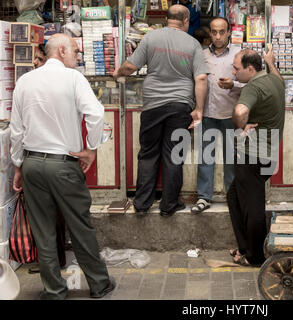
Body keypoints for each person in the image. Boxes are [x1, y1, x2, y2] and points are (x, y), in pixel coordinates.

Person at [10, 34, 115, 300]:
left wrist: (19, 165)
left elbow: (16, 131)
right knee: (80, 226)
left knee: (43, 230)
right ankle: (100, 284)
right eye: (75, 52)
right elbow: (96, 113)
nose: (77, 57)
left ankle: (54, 290)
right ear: (61, 50)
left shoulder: (25, 81)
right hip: (63, 165)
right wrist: (91, 147)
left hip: (33, 163)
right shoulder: (73, 78)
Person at [113, 5, 208, 217]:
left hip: (153, 104)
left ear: (167, 19)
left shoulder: (150, 38)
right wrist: (198, 109)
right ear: (185, 20)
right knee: (173, 155)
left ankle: (142, 204)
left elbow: (130, 67)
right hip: (181, 105)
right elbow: (201, 78)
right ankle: (169, 206)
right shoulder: (193, 44)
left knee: (148, 154)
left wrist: (117, 73)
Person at [227, 46, 285, 266]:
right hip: (267, 156)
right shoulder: (274, 81)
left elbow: (240, 112)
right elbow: (281, 79)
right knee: (234, 197)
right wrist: (271, 61)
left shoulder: (252, 87)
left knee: (254, 207)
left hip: (252, 156)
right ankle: (246, 248)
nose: (234, 73)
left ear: (250, 69)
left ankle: (256, 257)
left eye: (236, 68)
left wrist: (240, 127)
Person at [191, 17, 243, 214]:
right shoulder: (202, 55)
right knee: (205, 158)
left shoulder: (239, 55)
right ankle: (204, 197)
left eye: (222, 31)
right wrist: (197, 109)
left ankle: (232, 197)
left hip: (231, 114)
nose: (218, 36)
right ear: (210, 34)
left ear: (229, 32)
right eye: (214, 32)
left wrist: (234, 85)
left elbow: (250, 83)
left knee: (231, 159)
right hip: (208, 113)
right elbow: (196, 82)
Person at [28, 43, 68, 274]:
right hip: (49, 157)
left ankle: (53, 262)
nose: (34, 63)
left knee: (50, 214)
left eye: (39, 59)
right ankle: (54, 260)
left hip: (53, 157)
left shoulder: (47, 86)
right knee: (51, 214)